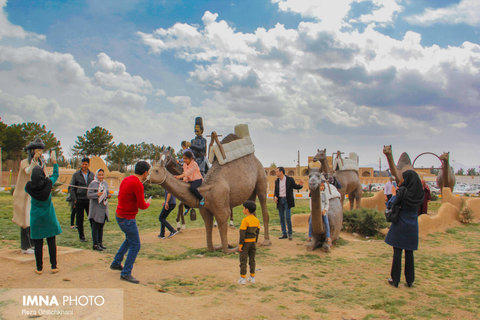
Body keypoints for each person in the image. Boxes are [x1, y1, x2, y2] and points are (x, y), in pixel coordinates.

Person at [110, 161, 152, 284]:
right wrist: (148, 202)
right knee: (136, 245)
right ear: (145, 172)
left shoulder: (126, 179)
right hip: (127, 218)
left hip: (120, 215)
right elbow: (142, 206)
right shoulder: (138, 184)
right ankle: (126, 273)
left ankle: (116, 263)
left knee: (129, 240)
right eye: (148, 172)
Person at [385, 170, 424, 288]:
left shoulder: (403, 191)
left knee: (397, 252)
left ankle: (395, 279)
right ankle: (410, 280)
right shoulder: (419, 193)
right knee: (409, 252)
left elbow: (391, 203)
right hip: (412, 225)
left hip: (400, 224)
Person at [25, 151, 62, 274]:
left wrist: (33, 161)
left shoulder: (28, 187)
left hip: (36, 219)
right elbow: (56, 174)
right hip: (49, 217)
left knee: (38, 245)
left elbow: (29, 174)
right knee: (52, 243)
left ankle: (39, 268)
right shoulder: (48, 184)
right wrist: (54, 162)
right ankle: (54, 266)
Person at [13, 137, 47, 254]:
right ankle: (25, 246)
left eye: (41, 150)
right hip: (25, 195)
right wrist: (34, 161)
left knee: (34, 220)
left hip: (36, 196)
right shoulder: (25, 162)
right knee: (25, 220)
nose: (40, 152)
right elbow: (28, 171)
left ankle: (33, 244)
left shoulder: (42, 163)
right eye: (37, 149)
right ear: (32, 150)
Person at [274, 167, 303, 240]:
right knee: (281, 218)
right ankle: (284, 233)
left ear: (281, 172)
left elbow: (295, 186)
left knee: (287, 217)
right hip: (280, 201)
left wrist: (301, 185)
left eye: (277, 171)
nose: (276, 173)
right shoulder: (277, 181)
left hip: (287, 201)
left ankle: (290, 233)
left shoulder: (290, 179)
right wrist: (275, 196)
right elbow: (276, 191)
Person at [69, 157, 94, 242]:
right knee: (80, 218)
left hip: (89, 199)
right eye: (83, 164)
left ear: (88, 164)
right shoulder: (76, 175)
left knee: (91, 218)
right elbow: (72, 188)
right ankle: (82, 236)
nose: (84, 166)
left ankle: (94, 235)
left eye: (86, 164)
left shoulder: (92, 175)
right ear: (81, 164)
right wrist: (74, 199)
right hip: (79, 199)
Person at [87, 169, 111, 251]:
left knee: (101, 226)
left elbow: (106, 192)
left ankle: (100, 243)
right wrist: (96, 194)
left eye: (102, 175)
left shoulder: (105, 183)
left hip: (103, 207)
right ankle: (95, 244)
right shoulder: (93, 183)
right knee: (95, 226)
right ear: (96, 175)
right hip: (95, 208)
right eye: (99, 175)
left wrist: (108, 195)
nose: (101, 176)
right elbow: (89, 195)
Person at [238, 200, 260, 285]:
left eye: (243, 208)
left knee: (243, 260)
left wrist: (240, 245)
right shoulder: (256, 220)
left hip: (246, 243)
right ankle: (252, 277)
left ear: (247, 210)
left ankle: (243, 278)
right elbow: (257, 232)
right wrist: (255, 241)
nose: (243, 210)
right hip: (253, 243)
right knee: (252, 260)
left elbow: (242, 234)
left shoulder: (245, 220)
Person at [308, 181, 335, 247]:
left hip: (323, 212)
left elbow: (327, 203)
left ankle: (328, 237)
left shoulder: (324, 194)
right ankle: (310, 236)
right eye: (321, 186)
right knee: (311, 222)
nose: (322, 187)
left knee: (326, 223)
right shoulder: (314, 195)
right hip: (315, 213)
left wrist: (325, 210)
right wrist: (313, 211)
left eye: (323, 186)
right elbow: (311, 204)